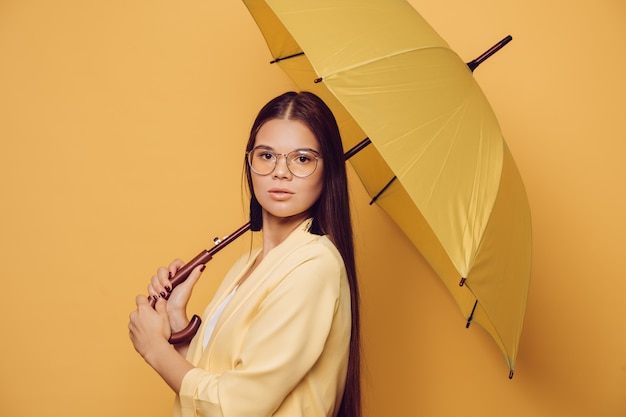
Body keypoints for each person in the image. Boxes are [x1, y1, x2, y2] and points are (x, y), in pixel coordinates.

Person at [128, 91, 361, 417]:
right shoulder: (246, 265)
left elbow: (236, 408)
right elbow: (209, 388)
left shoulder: (314, 266)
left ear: (328, 171)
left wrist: (153, 349)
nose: (281, 172)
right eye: (267, 156)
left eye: (303, 158)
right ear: (249, 162)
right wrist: (177, 320)